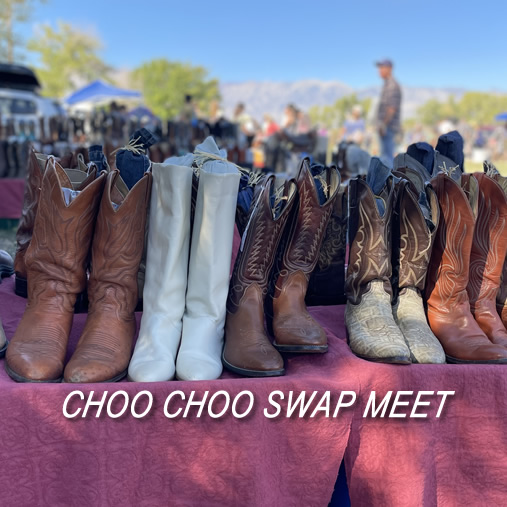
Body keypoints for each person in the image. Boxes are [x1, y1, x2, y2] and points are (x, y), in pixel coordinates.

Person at [375, 59, 402, 165]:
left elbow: (392, 108)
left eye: (382, 67)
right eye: (379, 68)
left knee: (387, 159)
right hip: (386, 128)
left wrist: (383, 125)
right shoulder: (387, 85)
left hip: (388, 128)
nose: (379, 70)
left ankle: (390, 181)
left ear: (390, 69)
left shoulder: (392, 86)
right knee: (384, 158)